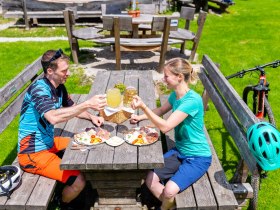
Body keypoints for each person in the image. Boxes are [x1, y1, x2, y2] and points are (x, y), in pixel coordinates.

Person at [17, 49, 107, 209]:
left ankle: (86, 193)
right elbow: (53, 117)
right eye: (64, 70)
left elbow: (72, 107)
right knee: (78, 180)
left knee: (89, 144)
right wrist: (87, 103)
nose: (69, 73)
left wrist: (92, 117)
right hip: (33, 153)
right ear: (50, 71)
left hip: (49, 143)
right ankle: (62, 202)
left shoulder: (58, 86)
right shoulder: (39, 90)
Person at [130, 58, 212, 210]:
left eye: (166, 76)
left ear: (179, 77)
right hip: (180, 151)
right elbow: (161, 111)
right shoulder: (176, 95)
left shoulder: (192, 101)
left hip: (198, 158)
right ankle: (170, 205)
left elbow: (166, 127)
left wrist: (144, 106)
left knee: (169, 191)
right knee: (150, 179)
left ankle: (164, 206)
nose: (163, 79)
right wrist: (140, 116)